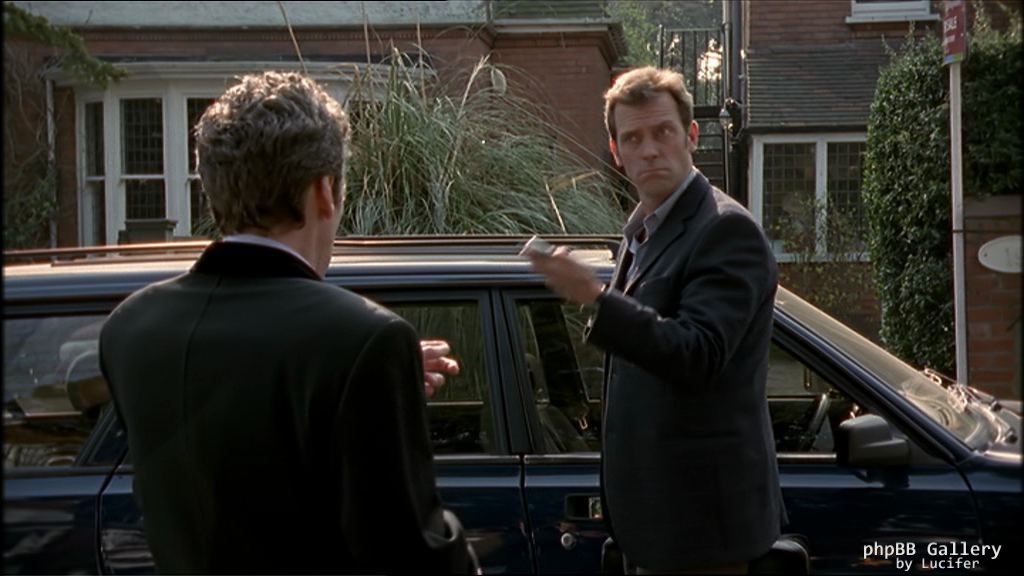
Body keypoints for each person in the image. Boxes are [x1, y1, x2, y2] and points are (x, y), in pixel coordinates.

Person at [99, 71, 477, 574]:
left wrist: (365, 382)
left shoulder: (129, 328)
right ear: (324, 191)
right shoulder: (364, 338)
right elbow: (408, 552)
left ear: (210, 186)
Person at [526, 66, 786, 574]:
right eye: (633, 138)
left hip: (702, 532)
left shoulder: (724, 230)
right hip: (652, 525)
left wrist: (596, 297)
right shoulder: (642, 230)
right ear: (615, 152)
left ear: (692, 136)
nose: (649, 150)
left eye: (663, 131)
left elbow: (698, 353)